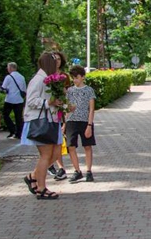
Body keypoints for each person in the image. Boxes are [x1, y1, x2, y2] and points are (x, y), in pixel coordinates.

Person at [21, 52, 64, 200]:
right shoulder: (39, 80)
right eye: (54, 62)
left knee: (55, 153)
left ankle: (33, 177)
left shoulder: (47, 79)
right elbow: (31, 100)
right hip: (40, 121)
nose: (57, 64)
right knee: (46, 155)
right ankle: (41, 188)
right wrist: (48, 103)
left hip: (50, 120)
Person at [65, 66, 96, 182]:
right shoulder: (70, 91)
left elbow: (91, 109)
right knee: (71, 146)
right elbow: (66, 107)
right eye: (73, 78)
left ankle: (89, 171)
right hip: (71, 121)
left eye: (77, 77)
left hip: (84, 121)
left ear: (83, 77)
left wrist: (89, 125)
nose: (75, 80)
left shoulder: (89, 90)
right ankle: (77, 170)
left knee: (87, 146)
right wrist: (64, 122)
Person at [47, 51, 70, 181]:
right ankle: (51, 165)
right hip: (47, 112)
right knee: (51, 143)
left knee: (59, 141)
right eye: (54, 59)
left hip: (60, 112)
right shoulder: (46, 76)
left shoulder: (64, 76)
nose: (57, 62)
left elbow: (67, 95)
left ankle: (60, 168)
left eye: (59, 60)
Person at [0, 62, 27, 139]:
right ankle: (19, 133)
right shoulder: (22, 77)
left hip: (9, 99)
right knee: (18, 117)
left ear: (11, 68)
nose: (7, 69)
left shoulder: (8, 77)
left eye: (8, 68)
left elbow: (3, 87)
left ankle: (12, 130)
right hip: (19, 100)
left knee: (5, 115)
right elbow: (24, 89)